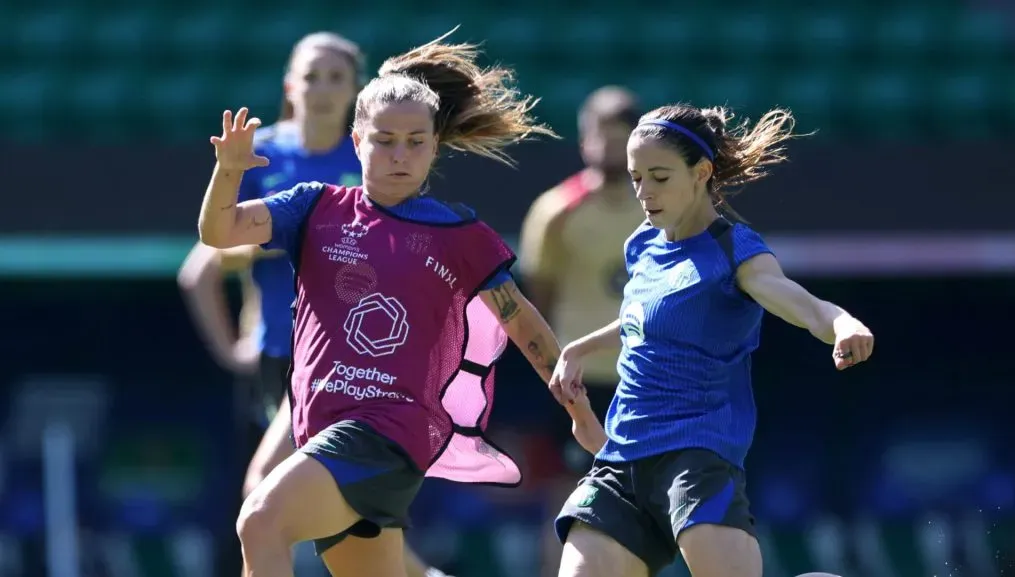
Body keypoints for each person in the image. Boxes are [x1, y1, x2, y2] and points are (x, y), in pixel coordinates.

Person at [195, 29, 604, 577]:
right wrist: (228, 171)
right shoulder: (313, 206)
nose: (399, 155)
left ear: (434, 147)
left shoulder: (458, 233)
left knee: (260, 520)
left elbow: (523, 325)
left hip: (389, 430)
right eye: (384, 140)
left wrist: (579, 412)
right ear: (356, 141)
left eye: (415, 142)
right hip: (321, 425)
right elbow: (219, 232)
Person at [549, 103, 876, 577]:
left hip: (695, 459)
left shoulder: (734, 250)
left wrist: (841, 323)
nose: (643, 191)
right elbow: (646, 320)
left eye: (659, 177)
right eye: (637, 177)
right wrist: (581, 347)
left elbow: (799, 303)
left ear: (701, 172)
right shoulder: (642, 244)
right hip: (621, 463)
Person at [178, 31, 453, 577]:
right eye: (311, 77)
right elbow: (202, 267)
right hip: (279, 353)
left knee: (265, 494)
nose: (322, 89)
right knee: (341, 519)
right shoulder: (259, 154)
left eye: (336, 78)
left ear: (356, 90)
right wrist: (233, 346)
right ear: (289, 87)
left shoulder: (377, 156)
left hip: (348, 359)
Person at [519, 85, 646, 427]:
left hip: (647, 371)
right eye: (600, 137)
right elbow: (540, 296)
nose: (608, 148)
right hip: (579, 375)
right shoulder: (556, 211)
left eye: (618, 139)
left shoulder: (661, 208)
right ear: (583, 140)